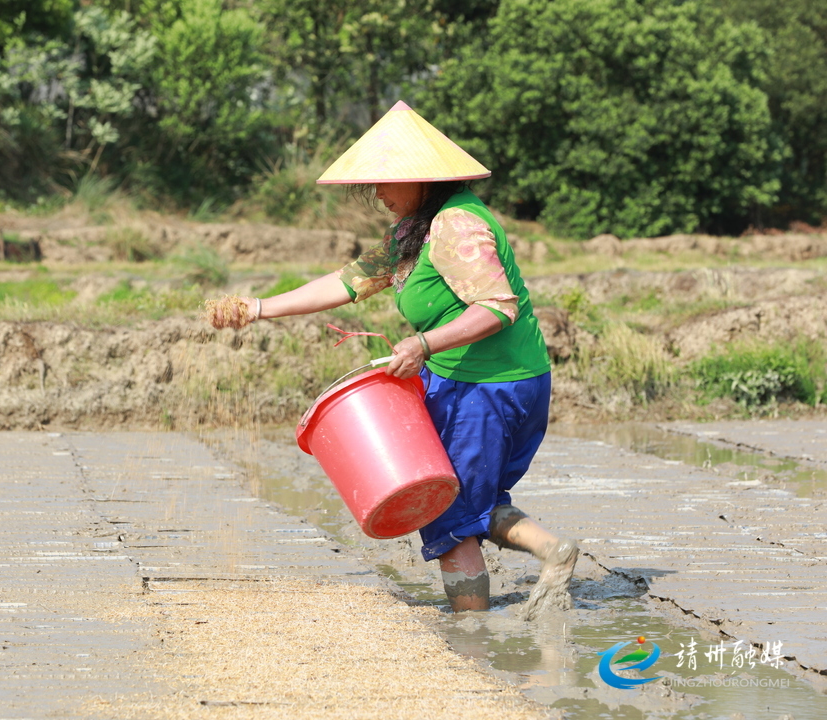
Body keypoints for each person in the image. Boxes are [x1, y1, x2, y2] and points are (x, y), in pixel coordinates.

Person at [205, 101, 577, 618]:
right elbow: (349, 281)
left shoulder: (456, 225)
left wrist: (424, 344)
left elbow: (497, 307)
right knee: (472, 499)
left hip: (485, 387)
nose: (378, 194)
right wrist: (259, 308)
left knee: (447, 515)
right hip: (496, 381)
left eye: (385, 182)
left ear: (421, 178)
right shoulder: (416, 230)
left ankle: (470, 633)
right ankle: (551, 550)